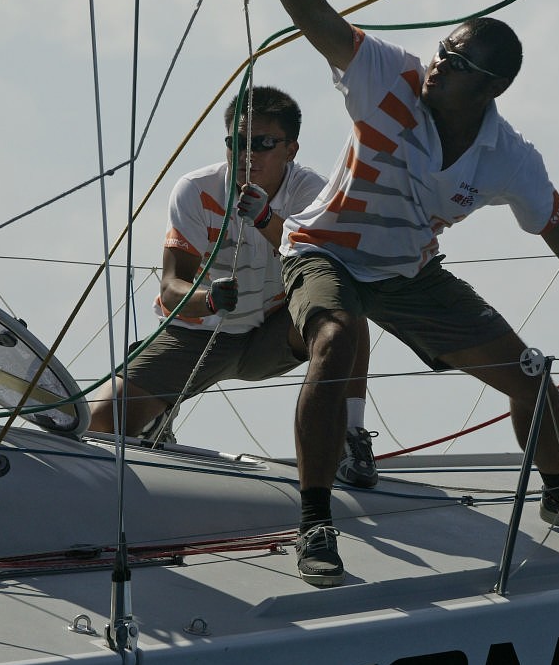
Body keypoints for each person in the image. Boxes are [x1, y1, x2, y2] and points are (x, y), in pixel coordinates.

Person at [250, 0, 559, 588]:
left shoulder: (507, 157)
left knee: (531, 377)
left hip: (409, 274)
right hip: (324, 249)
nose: (437, 66)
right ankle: (315, 522)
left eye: (455, 64)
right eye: (443, 51)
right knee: (336, 338)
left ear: (492, 89)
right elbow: (313, 13)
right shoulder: (387, 75)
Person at [89, 85, 379, 490]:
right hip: (201, 334)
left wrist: (264, 218)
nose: (247, 155)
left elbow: (324, 267)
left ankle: (350, 436)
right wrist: (206, 298)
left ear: (290, 150)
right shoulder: (196, 190)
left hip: (275, 331)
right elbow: (172, 287)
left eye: (262, 144)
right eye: (237, 143)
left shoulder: (312, 192)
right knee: (100, 422)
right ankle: (156, 420)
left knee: (345, 307)